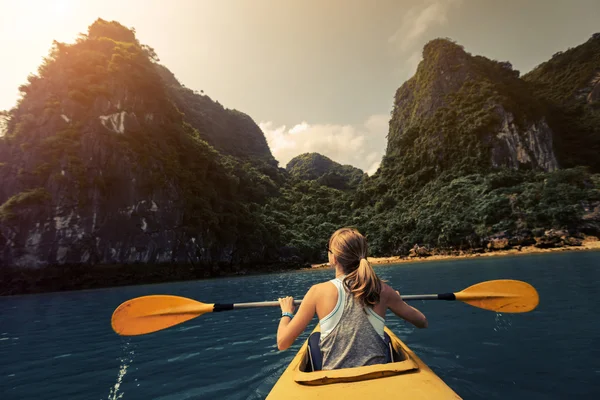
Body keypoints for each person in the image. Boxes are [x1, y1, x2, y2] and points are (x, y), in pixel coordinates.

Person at [277, 227, 428, 370]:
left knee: (314, 340)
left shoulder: (317, 291)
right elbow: (422, 322)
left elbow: (283, 343)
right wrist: (397, 301)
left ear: (334, 257)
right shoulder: (383, 290)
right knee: (386, 338)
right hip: (378, 376)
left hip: (335, 379)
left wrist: (287, 313)